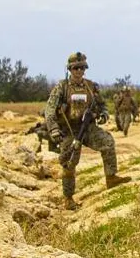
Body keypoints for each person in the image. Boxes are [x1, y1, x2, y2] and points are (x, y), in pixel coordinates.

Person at [43, 52, 128, 209]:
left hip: (87, 127)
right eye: (76, 68)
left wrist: (103, 115)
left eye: (82, 68)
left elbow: (102, 105)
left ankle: (111, 177)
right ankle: (68, 198)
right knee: (69, 162)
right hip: (69, 129)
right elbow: (49, 110)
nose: (79, 71)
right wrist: (54, 129)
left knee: (107, 142)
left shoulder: (91, 86)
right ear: (70, 69)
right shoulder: (61, 87)